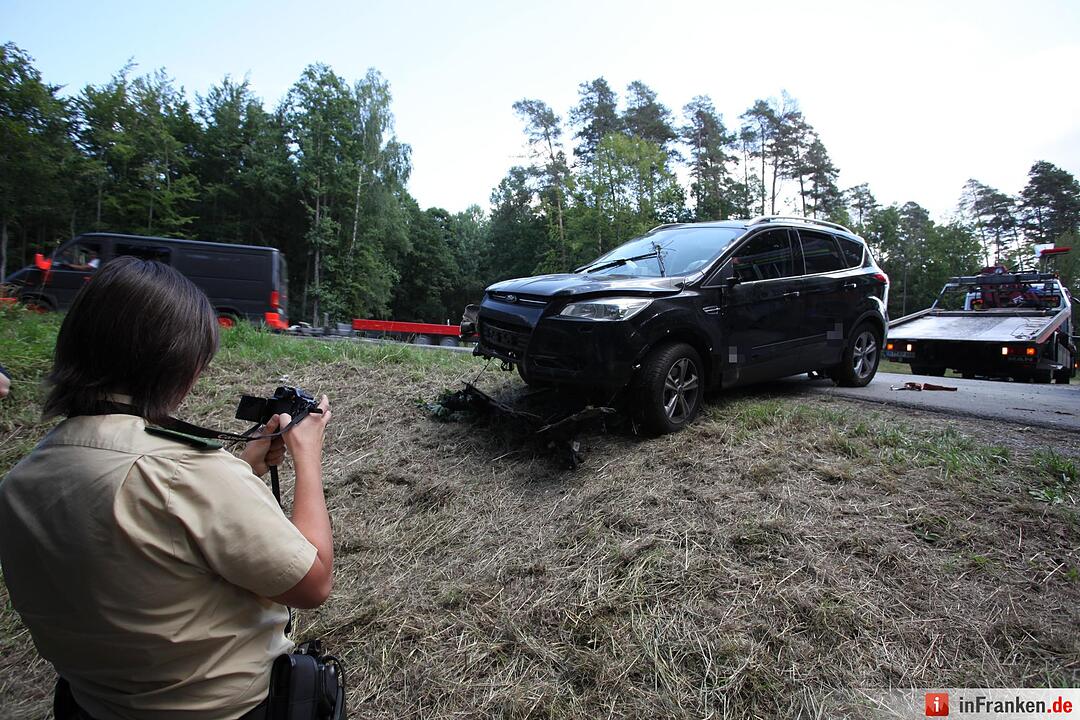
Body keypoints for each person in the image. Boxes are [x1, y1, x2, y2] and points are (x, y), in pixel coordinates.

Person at [0, 257, 334, 720]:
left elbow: (147, 540)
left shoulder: (26, 475)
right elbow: (313, 582)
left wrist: (242, 469)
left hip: (89, 703)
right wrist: (308, 457)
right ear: (176, 362)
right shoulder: (187, 472)